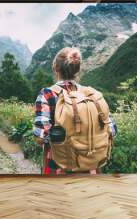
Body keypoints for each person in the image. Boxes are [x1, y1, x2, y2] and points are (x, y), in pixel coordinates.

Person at [33, 47, 117, 175]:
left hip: (58, 166)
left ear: (55, 67)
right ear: (78, 70)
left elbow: (41, 136)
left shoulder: (47, 94)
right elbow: (112, 130)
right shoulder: (91, 95)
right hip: (91, 166)